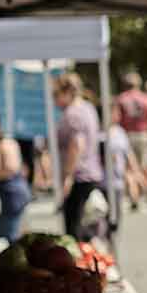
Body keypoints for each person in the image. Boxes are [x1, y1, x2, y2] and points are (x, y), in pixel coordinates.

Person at [52, 72, 105, 242]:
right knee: (89, 231)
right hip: (91, 174)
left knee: (75, 233)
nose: (54, 100)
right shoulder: (88, 108)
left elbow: (77, 146)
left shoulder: (73, 114)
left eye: (56, 94)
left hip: (79, 178)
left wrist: (68, 176)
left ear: (67, 92)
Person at [115, 71, 147, 204]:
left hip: (126, 135)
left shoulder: (121, 99)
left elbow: (117, 119)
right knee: (143, 167)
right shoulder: (146, 98)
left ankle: (133, 196)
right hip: (143, 135)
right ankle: (142, 194)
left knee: (129, 168)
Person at [0, 110, 31, 243]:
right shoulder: (2, 141)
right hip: (11, 194)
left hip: (12, 194)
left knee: (9, 235)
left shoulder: (4, 143)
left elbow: (11, 168)